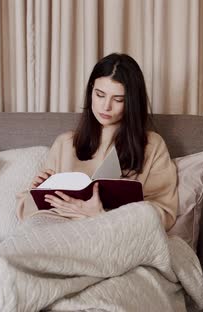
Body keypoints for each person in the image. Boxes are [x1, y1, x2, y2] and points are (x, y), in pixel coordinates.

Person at [16, 53, 178, 230]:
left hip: (111, 234)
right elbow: (28, 214)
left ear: (132, 102)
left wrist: (103, 216)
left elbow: (164, 214)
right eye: (100, 95)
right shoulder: (65, 143)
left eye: (118, 99)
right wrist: (38, 192)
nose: (106, 106)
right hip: (61, 231)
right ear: (91, 90)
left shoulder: (152, 145)